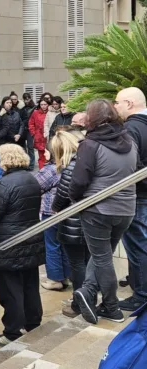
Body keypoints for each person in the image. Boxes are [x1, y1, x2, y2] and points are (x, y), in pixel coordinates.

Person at [71, 99, 138, 324]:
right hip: (126, 209)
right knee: (103, 256)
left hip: (98, 209)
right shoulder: (129, 140)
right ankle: (87, 291)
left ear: (91, 118)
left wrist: (75, 201)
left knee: (101, 258)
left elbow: (79, 181)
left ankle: (111, 307)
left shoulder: (90, 144)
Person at [0, 144, 45, 346]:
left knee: (10, 290)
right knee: (30, 285)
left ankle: (12, 331)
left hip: (8, 243)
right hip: (30, 239)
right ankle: (33, 323)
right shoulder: (32, 179)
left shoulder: (4, 184)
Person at [50, 129, 90, 318]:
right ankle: (89, 299)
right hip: (89, 219)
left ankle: (80, 304)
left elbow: (63, 193)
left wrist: (55, 208)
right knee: (88, 261)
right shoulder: (89, 159)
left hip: (74, 221)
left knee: (78, 264)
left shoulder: (73, 164)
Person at [114, 87, 147, 311]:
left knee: (138, 245)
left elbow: (129, 166)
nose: (114, 106)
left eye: (117, 102)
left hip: (138, 196)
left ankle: (142, 294)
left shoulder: (130, 129)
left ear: (129, 104)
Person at [35, 149, 70, 292]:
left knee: (52, 246)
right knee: (64, 245)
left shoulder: (51, 169)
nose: (45, 154)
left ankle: (55, 279)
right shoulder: (71, 166)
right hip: (67, 212)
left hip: (51, 212)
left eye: (48, 151)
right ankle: (65, 276)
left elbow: (36, 186)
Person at [29, 99, 50, 168]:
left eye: (45, 104)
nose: (43, 106)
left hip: (49, 137)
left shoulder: (50, 112)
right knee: (41, 156)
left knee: (49, 156)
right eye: (42, 104)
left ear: (48, 105)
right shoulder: (35, 112)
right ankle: (42, 171)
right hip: (39, 137)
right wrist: (34, 133)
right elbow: (31, 123)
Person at [21, 93, 37, 170]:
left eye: (28, 98)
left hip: (30, 130)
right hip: (23, 129)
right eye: (25, 98)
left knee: (30, 147)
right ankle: (25, 164)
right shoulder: (22, 108)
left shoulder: (34, 107)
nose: (27, 100)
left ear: (30, 98)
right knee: (23, 148)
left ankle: (31, 165)